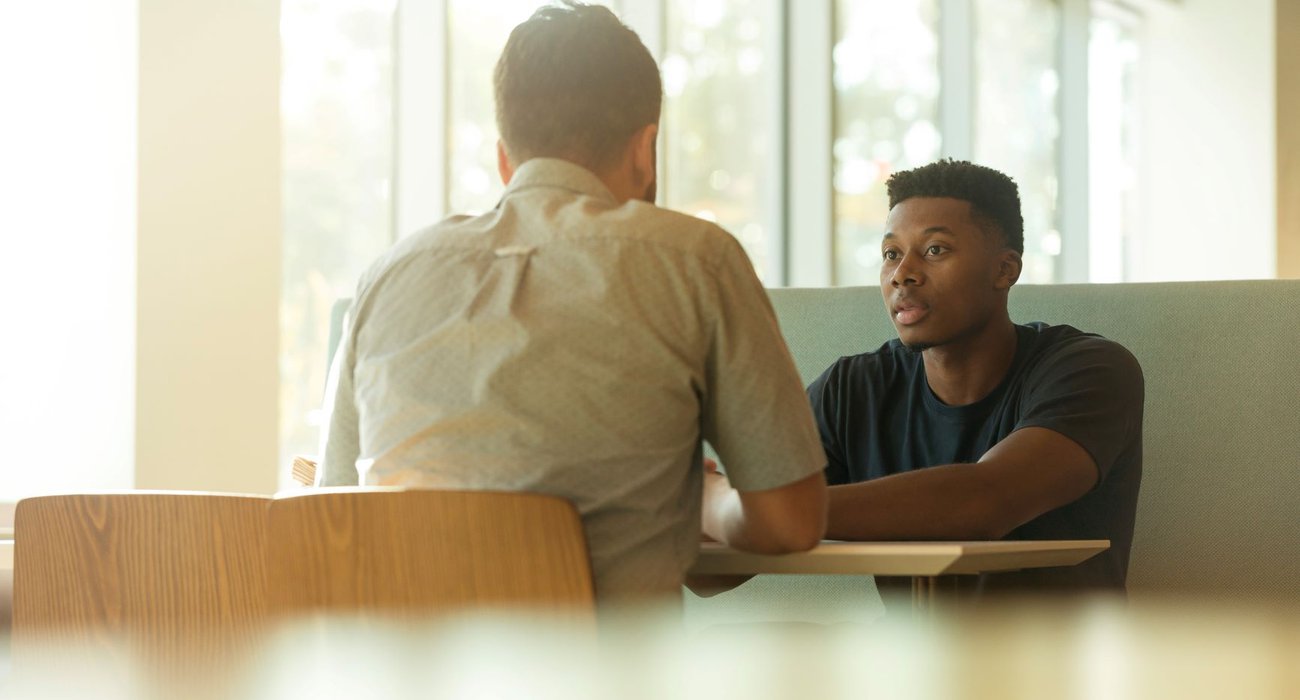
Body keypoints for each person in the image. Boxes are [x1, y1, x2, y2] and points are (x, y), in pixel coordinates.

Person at [317, 1, 827, 604]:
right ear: (646, 149)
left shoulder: (387, 276)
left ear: (506, 158)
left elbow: (330, 515)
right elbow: (790, 522)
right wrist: (707, 499)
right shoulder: (696, 259)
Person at [808, 159, 1143, 598]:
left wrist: (764, 511)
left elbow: (984, 503)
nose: (901, 273)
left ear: (1005, 270)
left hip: (1062, 662)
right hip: (911, 662)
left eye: (934, 250)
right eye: (891, 253)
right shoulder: (852, 389)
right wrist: (716, 505)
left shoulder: (1091, 371)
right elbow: (712, 574)